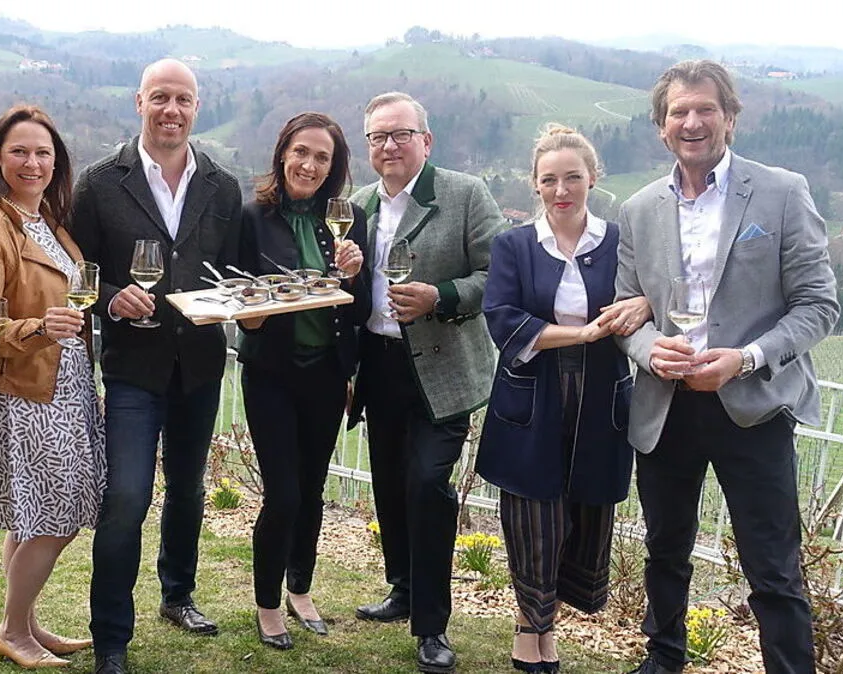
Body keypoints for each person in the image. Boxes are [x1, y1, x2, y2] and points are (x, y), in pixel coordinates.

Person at [615, 60, 839, 674]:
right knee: (664, 551)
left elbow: (819, 305)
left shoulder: (781, 192)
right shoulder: (636, 209)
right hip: (667, 407)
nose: (692, 122)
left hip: (755, 405)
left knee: (771, 565)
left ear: (730, 118)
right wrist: (648, 351)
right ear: (661, 127)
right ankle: (663, 661)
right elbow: (627, 314)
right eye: (678, 112)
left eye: (705, 109)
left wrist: (745, 358)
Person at [69, 58, 243, 674]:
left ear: (197, 108)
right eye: (161, 98)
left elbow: (236, 273)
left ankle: (178, 595)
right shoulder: (97, 183)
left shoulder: (221, 185)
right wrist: (112, 294)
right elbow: (78, 274)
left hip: (199, 365)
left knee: (189, 492)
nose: (172, 110)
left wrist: (244, 308)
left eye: (184, 100)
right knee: (126, 496)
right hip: (132, 369)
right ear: (139, 101)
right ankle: (112, 634)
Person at [476, 125, 650, 673]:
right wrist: (576, 335)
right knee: (533, 516)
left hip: (600, 393)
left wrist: (642, 304)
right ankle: (532, 629)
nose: (561, 189)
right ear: (535, 185)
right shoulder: (514, 245)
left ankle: (554, 617)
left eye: (572, 177)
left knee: (583, 514)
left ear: (592, 179)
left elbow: (650, 293)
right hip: (534, 392)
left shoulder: (620, 242)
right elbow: (502, 319)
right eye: (549, 179)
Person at [348, 91, 505, 674]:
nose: (388, 146)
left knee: (427, 486)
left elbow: (499, 275)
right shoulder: (358, 205)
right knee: (389, 485)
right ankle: (403, 588)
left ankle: (432, 626)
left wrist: (442, 297)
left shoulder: (464, 194)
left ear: (426, 140)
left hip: (442, 369)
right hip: (379, 365)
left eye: (400, 134)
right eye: (377, 137)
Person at [0, 105, 105, 668]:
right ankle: (13, 630)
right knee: (57, 515)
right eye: (20, 151)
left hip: (65, 384)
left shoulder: (46, 220)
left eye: (43, 152)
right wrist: (42, 327)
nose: (33, 162)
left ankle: (27, 622)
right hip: (23, 390)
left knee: (38, 515)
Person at [236, 112, 369, 650]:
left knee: (312, 491)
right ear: (282, 154)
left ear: (333, 169)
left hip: (326, 375)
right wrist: (254, 310)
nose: (309, 165)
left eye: (322, 158)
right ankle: (268, 602)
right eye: (301, 152)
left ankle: (301, 588)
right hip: (271, 373)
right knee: (284, 494)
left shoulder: (347, 219)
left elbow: (358, 313)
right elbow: (238, 302)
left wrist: (355, 276)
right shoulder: (252, 217)